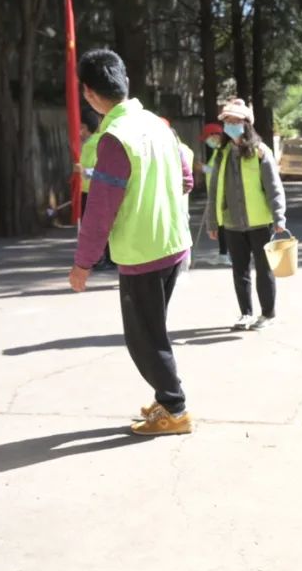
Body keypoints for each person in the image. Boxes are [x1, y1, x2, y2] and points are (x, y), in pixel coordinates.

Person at [68, 48, 195, 436]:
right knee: (154, 329)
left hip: (143, 253)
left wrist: (82, 263)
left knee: (144, 338)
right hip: (174, 243)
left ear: (89, 93)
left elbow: (100, 211)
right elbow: (187, 178)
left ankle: (175, 409)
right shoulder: (158, 124)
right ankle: (165, 397)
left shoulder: (114, 138)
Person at [207, 98, 287, 331]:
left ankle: (268, 313)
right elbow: (214, 192)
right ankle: (246, 313)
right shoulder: (222, 154)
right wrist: (213, 221)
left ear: (247, 124)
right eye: (227, 121)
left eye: (235, 121)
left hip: (259, 222)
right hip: (232, 223)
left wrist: (279, 217)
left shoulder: (261, 152)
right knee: (239, 270)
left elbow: (274, 188)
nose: (230, 125)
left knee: (264, 271)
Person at [74, 107, 116, 270]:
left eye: (81, 127)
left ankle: (104, 258)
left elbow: (102, 169)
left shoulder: (97, 143)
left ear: (85, 127)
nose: (78, 132)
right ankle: (102, 257)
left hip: (96, 192)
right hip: (88, 191)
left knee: (98, 226)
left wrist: (84, 171)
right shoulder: (87, 144)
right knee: (94, 226)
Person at [198, 123, 231, 266]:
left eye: (207, 138)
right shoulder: (218, 151)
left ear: (215, 136)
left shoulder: (223, 151)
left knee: (224, 227)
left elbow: (218, 172)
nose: (207, 141)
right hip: (216, 195)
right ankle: (223, 253)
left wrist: (204, 168)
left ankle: (225, 255)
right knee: (221, 226)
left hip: (222, 196)